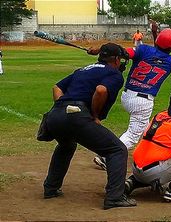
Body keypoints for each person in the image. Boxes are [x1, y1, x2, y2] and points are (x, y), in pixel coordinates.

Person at [42, 43, 136, 210]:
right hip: (77, 115)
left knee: (66, 144)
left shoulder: (83, 70)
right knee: (117, 150)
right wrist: (95, 116)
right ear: (115, 59)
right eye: (120, 59)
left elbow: (57, 87)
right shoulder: (114, 74)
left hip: (54, 116)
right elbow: (100, 91)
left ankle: (51, 188)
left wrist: (63, 108)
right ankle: (114, 197)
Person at [93, 28, 171, 170]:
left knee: (148, 128)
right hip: (143, 101)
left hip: (127, 95)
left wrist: (100, 51)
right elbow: (159, 51)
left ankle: (150, 153)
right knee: (133, 135)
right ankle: (106, 157)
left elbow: (124, 53)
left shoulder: (143, 49)